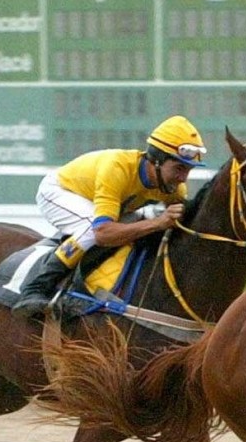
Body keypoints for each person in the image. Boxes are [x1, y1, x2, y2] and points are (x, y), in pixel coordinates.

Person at [11, 115, 208, 318]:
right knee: (92, 229)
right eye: (179, 168)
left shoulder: (173, 187)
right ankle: (35, 289)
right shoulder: (117, 168)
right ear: (156, 161)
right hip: (60, 191)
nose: (183, 178)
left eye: (188, 170)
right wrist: (157, 222)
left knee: (133, 227)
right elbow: (103, 233)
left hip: (101, 203)